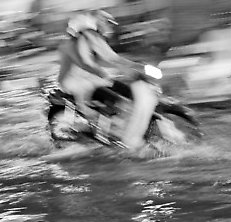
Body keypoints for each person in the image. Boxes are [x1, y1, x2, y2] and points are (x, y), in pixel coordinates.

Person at [57, 10, 159, 151]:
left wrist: (134, 67)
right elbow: (90, 62)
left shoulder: (91, 38)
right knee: (116, 100)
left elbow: (111, 58)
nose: (109, 28)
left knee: (124, 92)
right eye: (107, 23)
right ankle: (107, 135)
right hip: (78, 83)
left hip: (90, 80)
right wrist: (104, 72)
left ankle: (119, 128)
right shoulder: (81, 39)